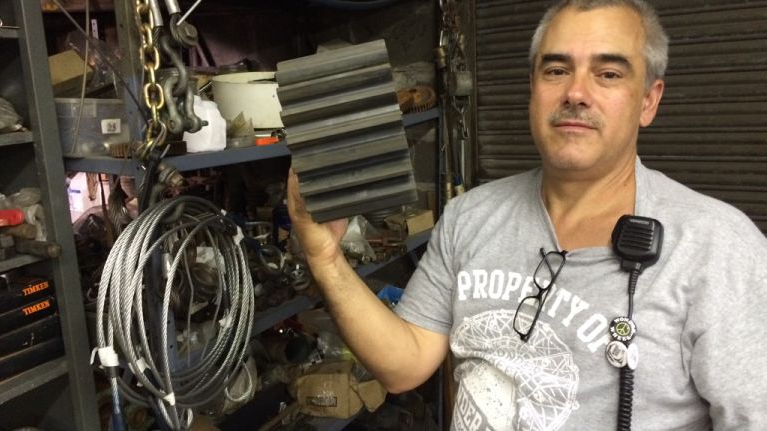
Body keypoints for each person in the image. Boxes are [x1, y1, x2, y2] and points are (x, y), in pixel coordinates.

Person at [286, 0, 767, 429]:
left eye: (609, 73)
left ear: (648, 100)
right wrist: (326, 259)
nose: (576, 93)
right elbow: (404, 365)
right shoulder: (469, 216)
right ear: (532, 89)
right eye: (556, 70)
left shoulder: (717, 246)